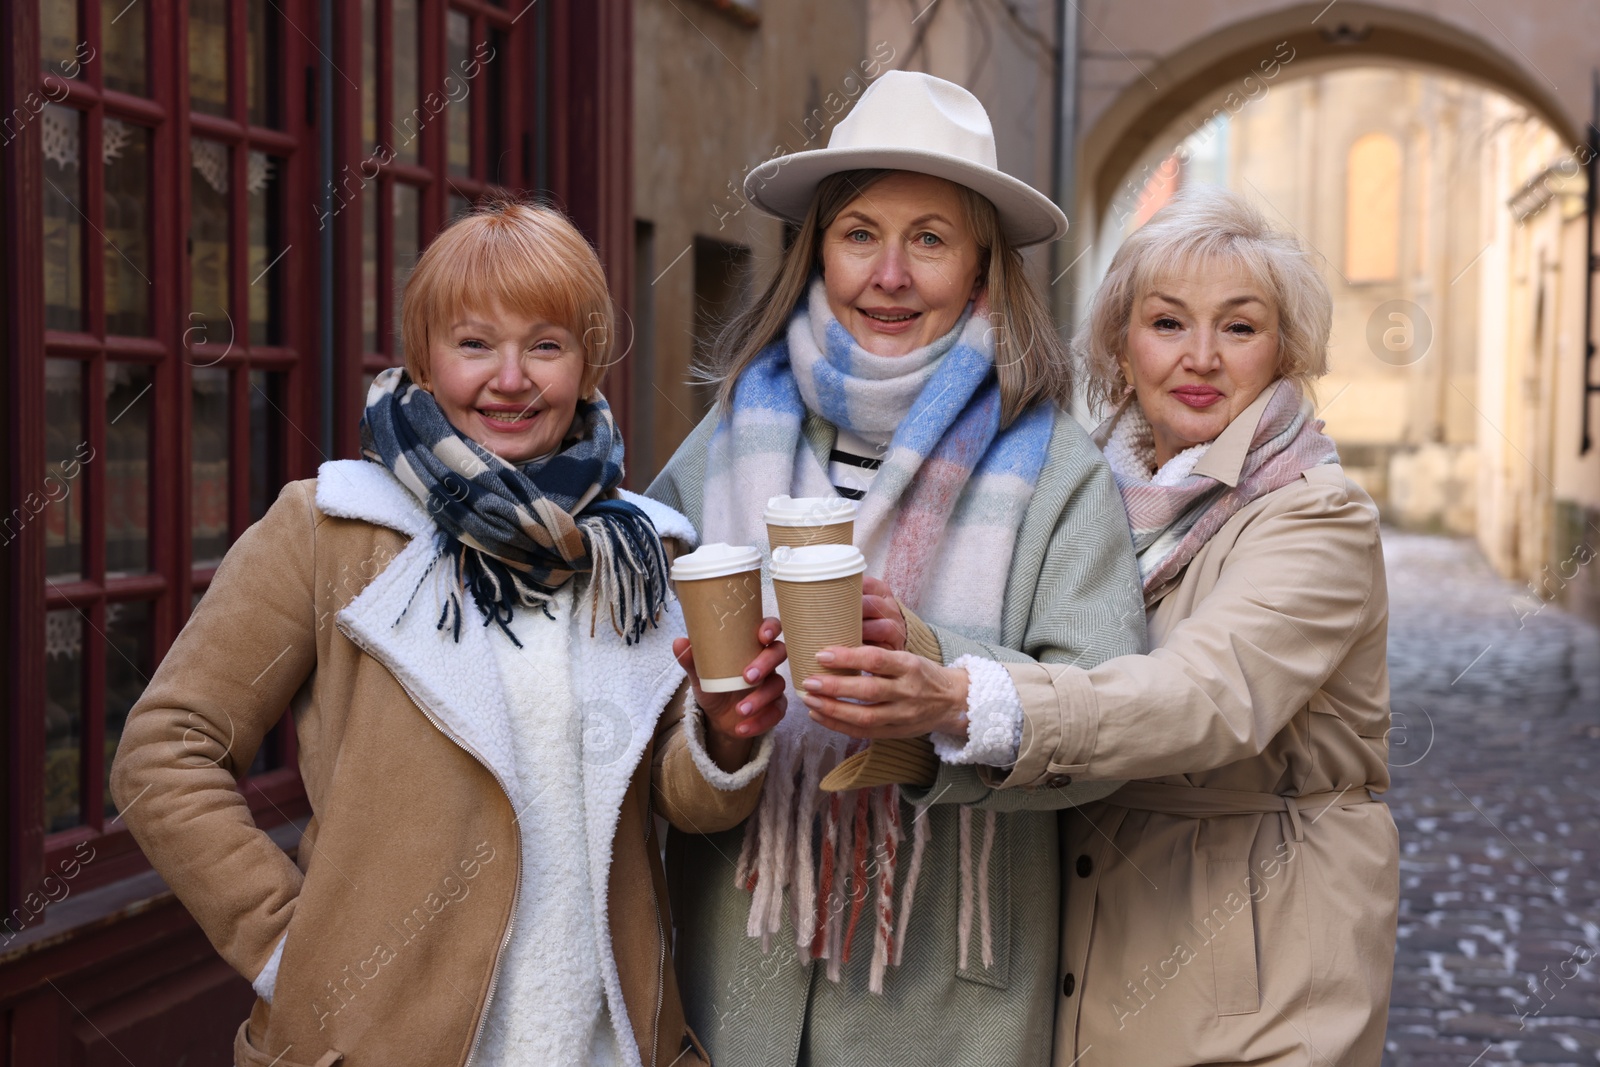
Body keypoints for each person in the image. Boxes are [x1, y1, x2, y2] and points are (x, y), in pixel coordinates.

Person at [109, 200, 788, 1067]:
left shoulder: (643, 549)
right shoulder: (331, 527)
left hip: (603, 1041)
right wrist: (295, 949)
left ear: (586, 364)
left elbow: (678, 803)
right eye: (474, 344)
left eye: (545, 344)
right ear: (425, 361)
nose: (511, 378)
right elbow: (165, 749)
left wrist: (724, 738)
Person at [804, 187, 1400, 1066]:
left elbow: (1203, 696)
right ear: (1122, 345)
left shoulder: (1316, 517)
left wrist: (963, 695)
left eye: (1239, 328)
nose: (1200, 357)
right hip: (1097, 949)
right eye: (1167, 323)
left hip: (1263, 959)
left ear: (1285, 352)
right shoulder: (1085, 492)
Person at [647, 71, 1145, 1066]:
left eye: (928, 238)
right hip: (734, 981)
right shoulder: (725, 440)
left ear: (978, 268)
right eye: (860, 232)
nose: (889, 273)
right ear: (817, 250)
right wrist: (718, 731)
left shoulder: (1056, 467)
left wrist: (937, 698)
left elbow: (1107, 717)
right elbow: (635, 706)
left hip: (942, 1001)